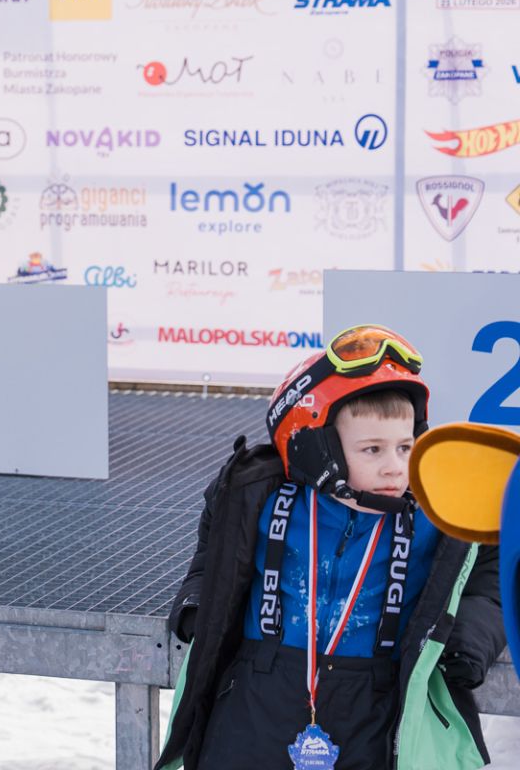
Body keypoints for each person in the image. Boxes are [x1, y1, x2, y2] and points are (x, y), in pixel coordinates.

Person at [157, 325, 505, 770]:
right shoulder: (258, 495)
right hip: (256, 697)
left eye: (405, 447)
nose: (395, 468)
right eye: (372, 449)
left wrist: (470, 636)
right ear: (316, 450)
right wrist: (197, 597)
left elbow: (491, 573)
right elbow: (215, 548)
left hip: (376, 707)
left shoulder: (435, 513)